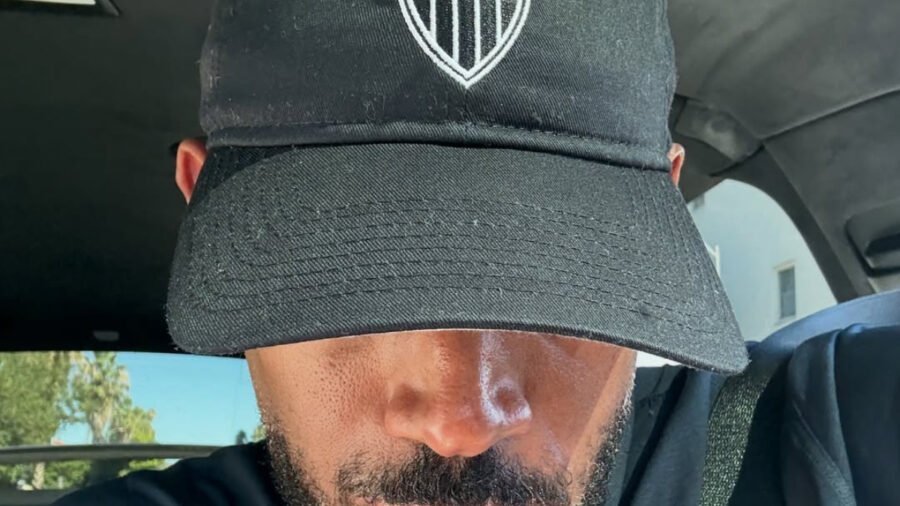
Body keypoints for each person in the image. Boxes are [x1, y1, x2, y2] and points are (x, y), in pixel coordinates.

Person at [56, 0, 900, 504]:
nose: (461, 420)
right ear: (206, 208)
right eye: (348, 279)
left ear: (667, 218)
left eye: (558, 274)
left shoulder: (827, 435)